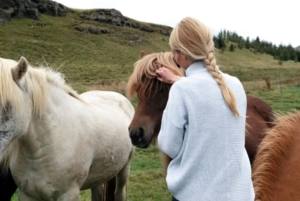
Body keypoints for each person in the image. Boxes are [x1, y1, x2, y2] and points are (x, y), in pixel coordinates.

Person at [155, 17, 254, 201]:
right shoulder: (236, 85)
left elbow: (170, 146)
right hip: (240, 194)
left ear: (181, 54)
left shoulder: (181, 90)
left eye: (174, 51)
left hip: (195, 195)